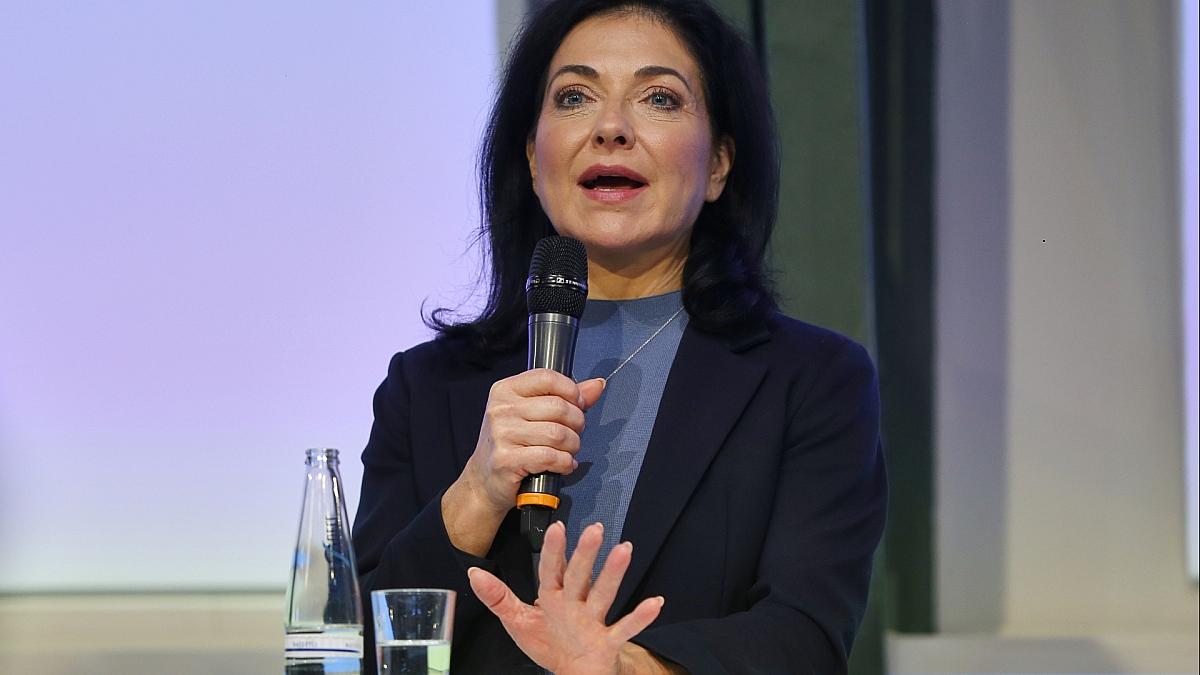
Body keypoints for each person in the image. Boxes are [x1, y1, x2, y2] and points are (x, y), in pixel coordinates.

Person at [351, 0, 887, 673]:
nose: (610, 128)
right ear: (532, 155)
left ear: (719, 164)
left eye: (659, 98)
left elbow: (805, 636)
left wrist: (624, 667)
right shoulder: (427, 386)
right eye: (574, 97)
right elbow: (359, 648)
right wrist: (478, 494)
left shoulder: (811, 380)